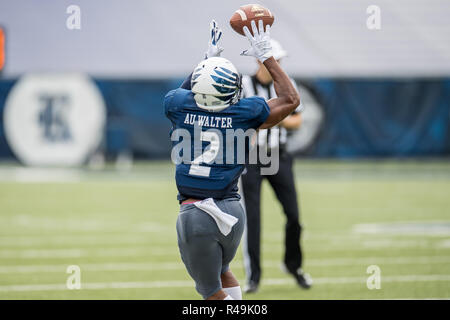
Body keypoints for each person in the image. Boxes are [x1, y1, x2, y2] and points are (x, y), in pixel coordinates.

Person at [163, 19, 300, 300]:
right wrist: (266, 56)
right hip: (232, 212)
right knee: (223, 271)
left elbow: (184, 93)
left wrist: (204, 63)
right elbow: (290, 99)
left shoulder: (177, 104)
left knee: (211, 293)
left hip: (197, 214)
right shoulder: (244, 113)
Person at [240, 39, 313, 293]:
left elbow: (297, 120)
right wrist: (276, 115)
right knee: (253, 218)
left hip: (278, 156)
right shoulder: (243, 85)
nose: (278, 64)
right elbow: (239, 120)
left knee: (294, 215)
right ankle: (254, 276)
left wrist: (270, 118)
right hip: (250, 157)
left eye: (279, 60)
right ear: (259, 61)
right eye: (274, 60)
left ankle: (293, 265)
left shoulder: (286, 85)